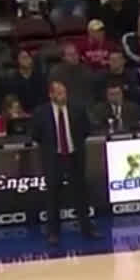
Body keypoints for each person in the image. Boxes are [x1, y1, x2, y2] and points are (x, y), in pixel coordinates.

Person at [30, 78, 100, 245]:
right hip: (54, 158)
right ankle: (53, 233)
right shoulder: (41, 112)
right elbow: (36, 135)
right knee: (53, 196)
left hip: (74, 155)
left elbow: (86, 130)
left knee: (81, 194)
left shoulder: (77, 109)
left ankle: (87, 229)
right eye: (59, 93)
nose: (63, 96)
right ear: (51, 95)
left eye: (64, 92)